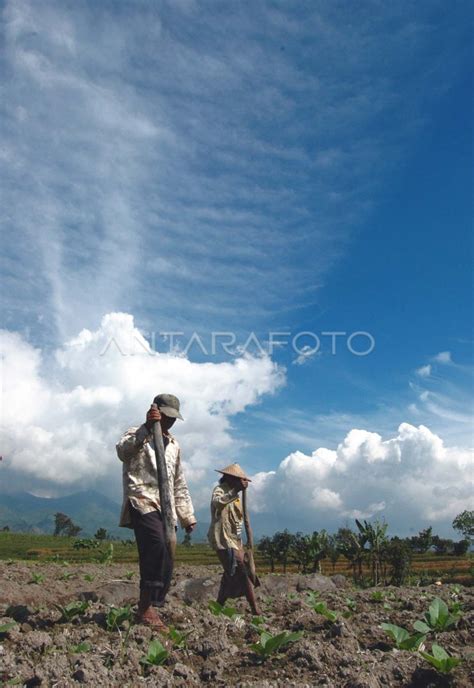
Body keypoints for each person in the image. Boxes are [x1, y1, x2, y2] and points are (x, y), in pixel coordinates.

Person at [116, 393, 196, 631]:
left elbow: (178, 481)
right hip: (141, 499)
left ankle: (152, 603)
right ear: (156, 411)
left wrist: (187, 515)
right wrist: (147, 429)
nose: (169, 422)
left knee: (168, 551)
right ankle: (145, 607)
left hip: (166, 505)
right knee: (156, 544)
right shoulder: (136, 433)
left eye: (173, 418)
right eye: (166, 417)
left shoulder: (174, 445)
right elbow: (122, 452)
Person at [208, 463, 261, 615]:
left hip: (235, 541)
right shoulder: (219, 491)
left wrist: (242, 543)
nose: (240, 483)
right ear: (230, 478)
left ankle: (217, 607)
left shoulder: (237, 498)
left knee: (230, 574)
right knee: (242, 572)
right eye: (238, 480)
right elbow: (217, 504)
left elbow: (238, 521)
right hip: (222, 540)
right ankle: (255, 609)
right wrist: (235, 491)